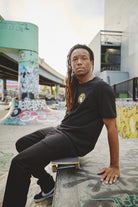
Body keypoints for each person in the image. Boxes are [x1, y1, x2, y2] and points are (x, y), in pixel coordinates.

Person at [2, 44, 120, 207]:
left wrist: (114, 165)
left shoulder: (101, 88)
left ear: (92, 62)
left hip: (75, 140)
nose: (79, 62)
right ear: (71, 64)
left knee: (19, 163)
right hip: (61, 131)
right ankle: (47, 184)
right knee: (21, 144)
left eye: (84, 58)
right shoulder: (74, 85)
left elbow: (112, 127)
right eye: (75, 59)